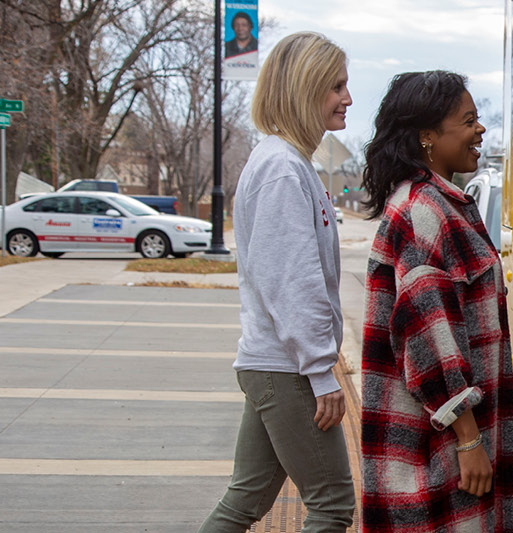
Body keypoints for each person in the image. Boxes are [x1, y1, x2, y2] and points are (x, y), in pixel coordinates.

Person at [200, 31, 355, 532]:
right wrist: (319, 369)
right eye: (335, 87)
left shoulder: (288, 163)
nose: (346, 99)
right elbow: (292, 281)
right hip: (287, 370)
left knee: (243, 503)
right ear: (303, 89)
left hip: (275, 364)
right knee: (331, 506)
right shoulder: (282, 169)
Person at [358, 70, 513, 531]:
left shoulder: (442, 205)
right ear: (427, 137)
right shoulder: (424, 213)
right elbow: (428, 338)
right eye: (468, 121)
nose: (480, 130)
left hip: (452, 433)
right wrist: (468, 441)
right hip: (436, 445)